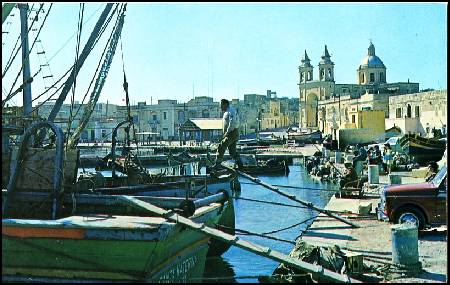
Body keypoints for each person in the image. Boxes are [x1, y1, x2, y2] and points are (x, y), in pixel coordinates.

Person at [213, 99, 244, 170]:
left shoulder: (231, 111)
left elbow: (233, 122)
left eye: (221, 105)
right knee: (232, 151)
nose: (220, 107)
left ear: (225, 104)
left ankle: (217, 164)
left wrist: (227, 131)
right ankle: (240, 165)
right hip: (231, 133)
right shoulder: (227, 112)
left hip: (231, 133)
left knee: (221, 146)